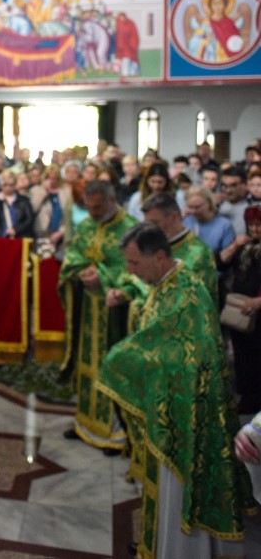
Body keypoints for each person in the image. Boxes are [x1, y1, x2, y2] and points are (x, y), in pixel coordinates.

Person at [100, 223, 255, 558]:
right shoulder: (164, 283)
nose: (130, 271)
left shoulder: (186, 294)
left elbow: (179, 353)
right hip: (165, 406)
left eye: (134, 263)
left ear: (159, 256)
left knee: (177, 494)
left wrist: (119, 360)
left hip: (187, 417)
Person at [59, 180, 137, 453]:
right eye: (89, 208)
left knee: (110, 365)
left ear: (112, 200)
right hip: (86, 310)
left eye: (98, 207)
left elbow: (134, 270)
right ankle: (85, 424)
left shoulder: (129, 228)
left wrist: (102, 277)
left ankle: (114, 432)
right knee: (86, 364)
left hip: (115, 311)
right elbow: (74, 254)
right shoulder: (87, 225)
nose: (92, 213)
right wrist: (81, 272)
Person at [219, 205, 261, 413]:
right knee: (244, 356)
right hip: (241, 309)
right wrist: (235, 245)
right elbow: (222, 263)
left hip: (257, 308)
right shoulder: (244, 245)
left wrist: (258, 302)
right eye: (252, 225)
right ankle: (249, 396)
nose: (255, 229)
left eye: (258, 225)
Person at [182, 185, 235, 254]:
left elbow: (227, 256)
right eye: (190, 207)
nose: (193, 211)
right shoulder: (186, 222)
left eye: (197, 207)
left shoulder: (224, 225)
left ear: (209, 203)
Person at [0, 171, 34, 239]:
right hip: (1, 237)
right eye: (5, 185)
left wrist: (16, 229)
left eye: (11, 185)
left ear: (15, 185)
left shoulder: (23, 200)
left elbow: (29, 220)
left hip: (19, 237)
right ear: (0, 185)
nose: (8, 188)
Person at [219, 166, 250, 236]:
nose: (228, 190)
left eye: (233, 186)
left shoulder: (254, 207)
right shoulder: (216, 206)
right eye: (225, 186)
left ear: (245, 185)